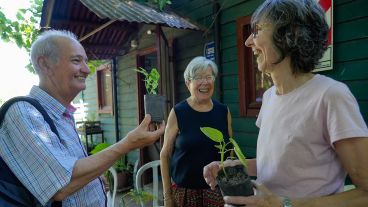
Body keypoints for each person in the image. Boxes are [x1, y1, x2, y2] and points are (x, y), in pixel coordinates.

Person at [203, 0, 368, 206]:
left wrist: (284, 204)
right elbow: (276, 166)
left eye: (257, 31)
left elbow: (365, 193)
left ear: (291, 34)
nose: (248, 42)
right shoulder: (270, 96)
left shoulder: (331, 96)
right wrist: (234, 167)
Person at [0, 30, 165, 206]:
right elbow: (62, 185)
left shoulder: (62, 115)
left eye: (86, 61)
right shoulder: (23, 113)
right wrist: (128, 144)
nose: (86, 70)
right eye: (76, 60)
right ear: (45, 64)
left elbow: (68, 168)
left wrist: (92, 178)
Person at [160, 56, 233, 207]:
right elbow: (165, 153)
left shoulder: (223, 111)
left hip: (217, 191)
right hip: (185, 192)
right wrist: (167, 197)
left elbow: (230, 149)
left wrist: (230, 185)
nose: (205, 82)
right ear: (188, 83)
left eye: (209, 77)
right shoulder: (178, 112)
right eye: (198, 77)